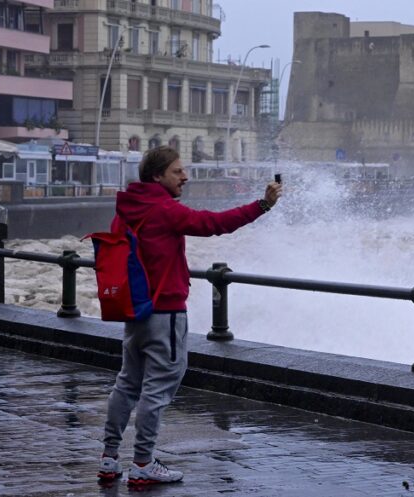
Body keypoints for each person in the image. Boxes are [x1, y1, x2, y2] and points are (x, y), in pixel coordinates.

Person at [97, 146, 282, 486]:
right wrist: (263, 205)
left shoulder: (126, 211)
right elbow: (214, 224)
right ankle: (142, 463)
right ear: (157, 176)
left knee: (126, 384)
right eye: (177, 171)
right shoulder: (165, 210)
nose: (185, 177)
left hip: (134, 311)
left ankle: (109, 460)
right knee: (157, 389)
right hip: (165, 313)